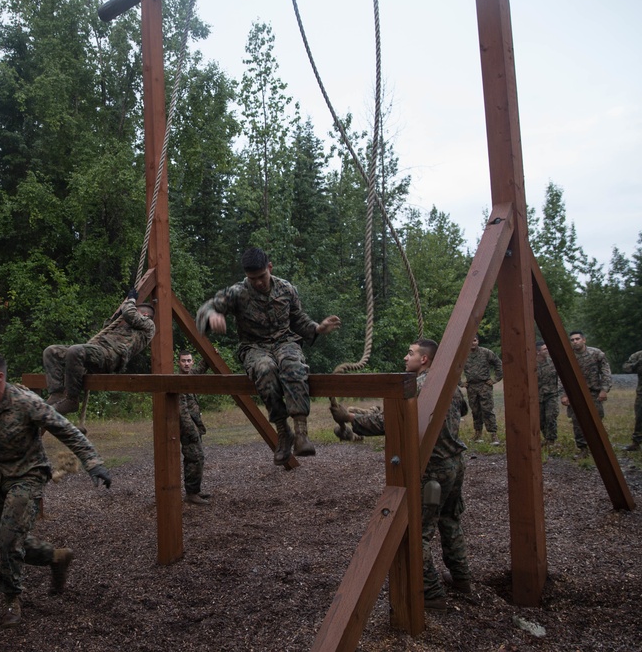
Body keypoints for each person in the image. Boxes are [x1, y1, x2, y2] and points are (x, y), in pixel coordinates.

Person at [0, 352, 112, 628]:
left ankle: (11, 597)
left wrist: (93, 463)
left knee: (9, 539)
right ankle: (56, 557)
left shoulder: (26, 403)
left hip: (30, 474)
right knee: (12, 539)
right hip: (0, 476)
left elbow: (67, 430)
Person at [336, 339, 471, 612]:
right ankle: (462, 579)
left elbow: (391, 422)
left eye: (410, 353)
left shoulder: (419, 386)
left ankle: (432, 593)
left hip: (433, 468)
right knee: (449, 521)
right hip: (455, 464)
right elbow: (463, 410)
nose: (405, 357)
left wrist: (350, 419)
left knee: (417, 531)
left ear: (424, 360)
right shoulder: (449, 384)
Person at [195, 247, 341, 466]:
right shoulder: (237, 292)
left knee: (292, 364)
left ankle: (301, 433)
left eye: (262, 277)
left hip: (285, 342)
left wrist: (317, 328)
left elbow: (297, 319)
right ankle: (283, 431)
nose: (259, 283)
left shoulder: (287, 289)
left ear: (269, 268)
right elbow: (204, 309)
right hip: (254, 346)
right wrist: (212, 315)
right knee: (265, 369)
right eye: (253, 279)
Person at [43, 294, 156, 415]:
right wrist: (115, 317)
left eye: (136, 310)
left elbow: (129, 313)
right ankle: (56, 393)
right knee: (51, 351)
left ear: (144, 315)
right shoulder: (126, 325)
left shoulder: (148, 326)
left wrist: (131, 300)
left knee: (75, 351)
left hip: (110, 356)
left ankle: (72, 400)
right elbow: (106, 329)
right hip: (99, 351)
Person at [561, 331, 611, 460]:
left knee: (596, 421)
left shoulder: (596, 354)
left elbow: (605, 372)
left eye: (577, 339)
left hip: (593, 392)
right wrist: (564, 394)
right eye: (572, 340)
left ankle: (601, 450)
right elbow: (562, 376)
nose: (575, 342)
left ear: (584, 340)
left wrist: (604, 389)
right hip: (575, 394)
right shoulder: (568, 355)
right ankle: (583, 449)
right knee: (577, 422)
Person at [177, 350, 210, 506]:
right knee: (195, 459)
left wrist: (210, 354)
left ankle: (194, 490)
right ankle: (191, 493)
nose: (186, 363)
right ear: (178, 363)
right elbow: (182, 411)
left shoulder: (190, 376)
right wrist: (192, 432)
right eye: (183, 361)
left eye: (189, 361)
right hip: (188, 430)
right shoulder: (178, 380)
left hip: (195, 427)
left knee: (196, 459)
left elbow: (202, 368)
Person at [459, 335, 503, 445]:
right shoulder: (463, 354)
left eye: (474, 340)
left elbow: (498, 363)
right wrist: (460, 383)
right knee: (475, 411)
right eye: (470, 341)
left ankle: (493, 434)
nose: (472, 343)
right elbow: (456, 367)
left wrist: (495, 379)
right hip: (471, 387)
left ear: (478, 341)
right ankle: (477, 434)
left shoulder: (486, 352)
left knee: (487, 410)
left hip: (484, 385)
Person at [536, 341, 562, 447]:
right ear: (538, 352)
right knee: (540, 419)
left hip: (551, 394)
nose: (547, 351)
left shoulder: (553, 362)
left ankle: (551, 440)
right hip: (537, 396)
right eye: (545, 349)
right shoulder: (531, 364)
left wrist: (561, 392)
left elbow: (560, 377)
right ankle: (546, 437)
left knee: (551, 417)